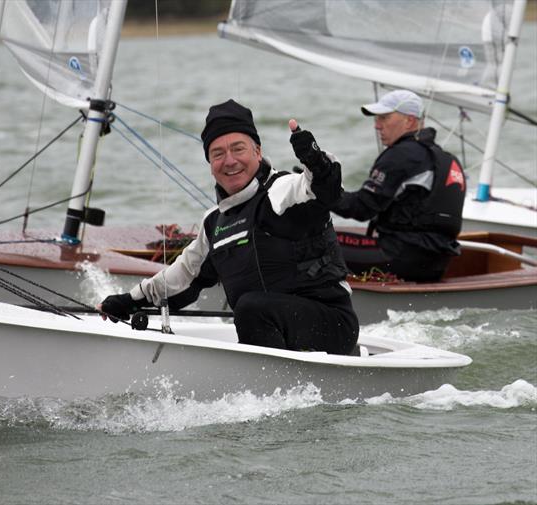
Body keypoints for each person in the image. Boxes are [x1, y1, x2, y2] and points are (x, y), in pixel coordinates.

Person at [98, 99, 359, 355]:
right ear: (210, 163)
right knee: (251, 308)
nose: (230, 160)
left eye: (238, 149)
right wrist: (128, 301)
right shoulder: (214, 222)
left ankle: (269, 393)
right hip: (275, 336)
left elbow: (324, 191)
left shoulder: (283, 190)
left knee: (250, 307)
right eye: (218, 153)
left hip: (332, 326)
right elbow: (182, 276)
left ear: (257, 151)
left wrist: (317, 163)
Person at [331, 89, 466, 282]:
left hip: (400, 257)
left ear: (409, 121)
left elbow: (361, 209)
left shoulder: (402, 154)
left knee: (312, 242)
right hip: (436, 263)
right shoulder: (447, 160)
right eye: (376, 119)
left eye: (384, 118)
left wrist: (320, 191)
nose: (377, 126)